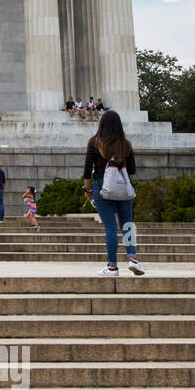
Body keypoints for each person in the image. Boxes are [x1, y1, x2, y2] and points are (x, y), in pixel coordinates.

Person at [82, 110, 144, 276]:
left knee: (110, 227)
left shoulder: (94, 142)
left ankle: (112, 266)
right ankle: (133, 258)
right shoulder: (126, 144)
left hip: (102, 185)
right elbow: (132, 169)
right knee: (127, 224)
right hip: (123, 186)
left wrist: (87, 189)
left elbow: (87, 170)